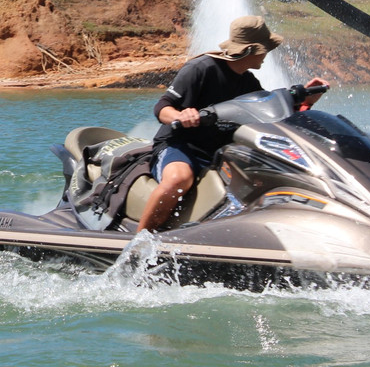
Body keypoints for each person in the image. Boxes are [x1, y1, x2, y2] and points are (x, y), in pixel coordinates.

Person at [135, 15, 328, 233]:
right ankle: (138, 243)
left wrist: (305, 102)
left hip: (220, 152)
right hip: (180, 146)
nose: (267, 55)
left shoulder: (249, 83)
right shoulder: (200, 69)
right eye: (265, 49)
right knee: (179, 179)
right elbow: (162, 108)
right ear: (250, 50)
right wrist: (180, 116)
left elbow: (272, 119)